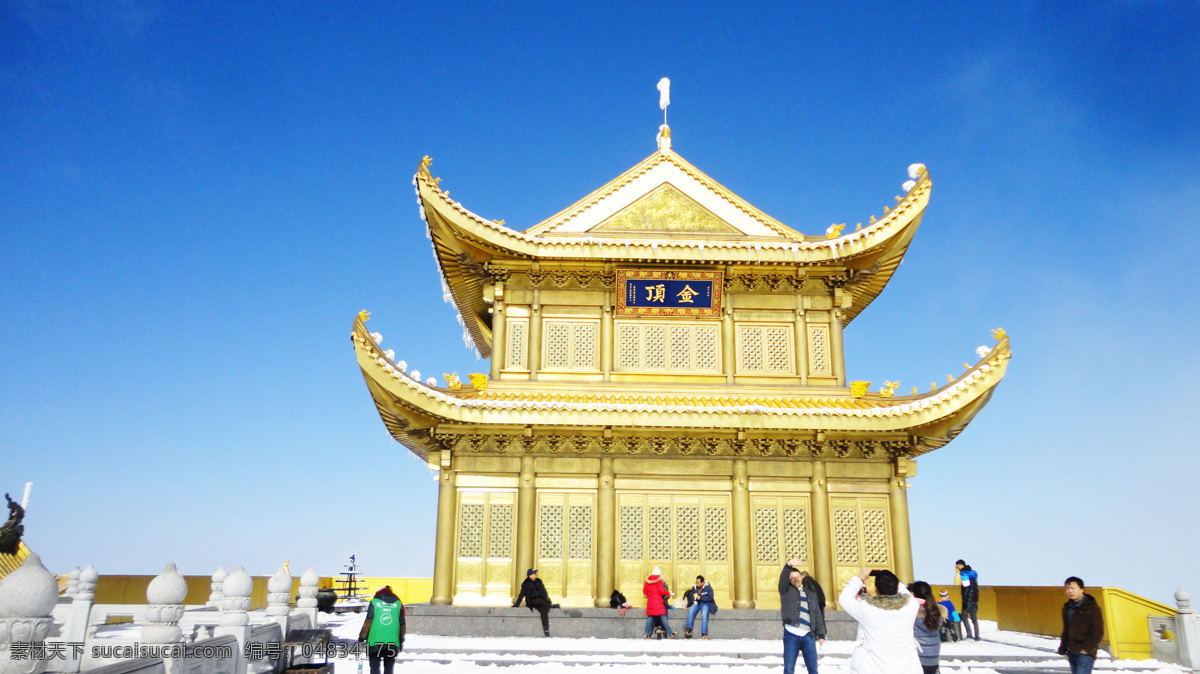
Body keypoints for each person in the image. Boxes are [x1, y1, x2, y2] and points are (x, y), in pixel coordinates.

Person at [839, 568, 921, 674]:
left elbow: (844, 599)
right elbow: (904, 592)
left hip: (873, 667)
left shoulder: (869, 610)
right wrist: (888, 577)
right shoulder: (911, 606)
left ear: (876, 589)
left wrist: (858, 579)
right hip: (907, 667)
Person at [779, 559, 826, 674]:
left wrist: (821, 633)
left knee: (813, 669)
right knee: (789, 669)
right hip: (791, 635)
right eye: (792, 577)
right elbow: (782, 580)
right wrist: (788, 565)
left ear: (801, 576)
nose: (795, 579)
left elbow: (816, 613)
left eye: (797, 576)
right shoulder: (786, 591)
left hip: (808, 636)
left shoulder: (810, 593)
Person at [1058, 576, 1104, 674]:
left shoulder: (1092, 608)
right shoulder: (1067, 608)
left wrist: (1086, 649)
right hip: (1071, 651)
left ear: (1082, 589)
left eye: (1073, 588)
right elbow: (1066, 629)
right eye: (1067, 588)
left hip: (1085, 653)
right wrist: (1063, 647)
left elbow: (1098, 631)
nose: (1070, 591)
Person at [357, 586, 406, 674]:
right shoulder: (398, 604)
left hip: (374, 641)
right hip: (392, 641)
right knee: (389, 668)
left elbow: (369, 620)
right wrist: (401, 640)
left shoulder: (374, 602)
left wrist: (362, 636)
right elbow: (402, 624)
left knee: (374, 667)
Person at [909, 581, 944, 674]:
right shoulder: (936, 612)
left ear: (913, 593)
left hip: (917, 657)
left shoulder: (911, 611)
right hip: (934, 657)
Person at [513, 568, 557, 637]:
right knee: (540, 601)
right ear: (530, 575)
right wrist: (517, 604)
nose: (536, 574)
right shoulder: (526, 583)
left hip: (542, 601)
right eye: (534, 573)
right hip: (532, 600)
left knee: (544, 610)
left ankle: (546, 628)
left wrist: (547, 599)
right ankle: (550, 605)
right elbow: (522, 594)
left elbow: (544, 592)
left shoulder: (539, 581)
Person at [643, 566, 676, 638]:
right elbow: (662, 591)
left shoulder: (647, 581)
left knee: (650, 617)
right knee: (663, 616)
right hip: (658, 602)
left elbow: (645, 592)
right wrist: (669, 593)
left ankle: (647, 634)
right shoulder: (659, 581)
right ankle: (669, 633)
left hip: (650, 602)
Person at [954, 560, 980, 641]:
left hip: (968, 600)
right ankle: (977, 635)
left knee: (964, 617)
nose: (957, 568)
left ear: (960, 565)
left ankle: (969, 634)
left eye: (957, 566)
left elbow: (966, 587)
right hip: (974, 599)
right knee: (974, 618)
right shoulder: (973, 573)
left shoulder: (964, 573)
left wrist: (965, 600)